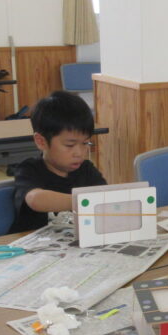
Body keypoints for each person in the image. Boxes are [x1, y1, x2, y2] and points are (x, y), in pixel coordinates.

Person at [9, 90, 106, 232]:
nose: (79, 153)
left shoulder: (87, 170)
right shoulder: (29, 169)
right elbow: (35, 199)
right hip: (33, 242)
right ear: (41, 142)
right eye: (70, 145)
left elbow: (104, 197)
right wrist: (85, 201)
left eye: (85, 143)